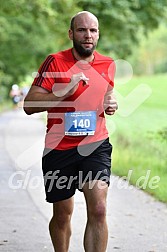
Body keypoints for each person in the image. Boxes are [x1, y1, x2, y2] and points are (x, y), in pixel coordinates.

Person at [24, 11, 118, 252]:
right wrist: (63, 91)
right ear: (71, 34)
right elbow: (29, 105)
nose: (88, 35)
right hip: (59, 149)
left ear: (98, 34)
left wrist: (111, 103)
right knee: (63, 213)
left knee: (99, 208)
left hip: (95, 145)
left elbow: (106, 93)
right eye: (82, 30)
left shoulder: (107, 64)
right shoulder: (54, 62)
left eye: (93, 30)